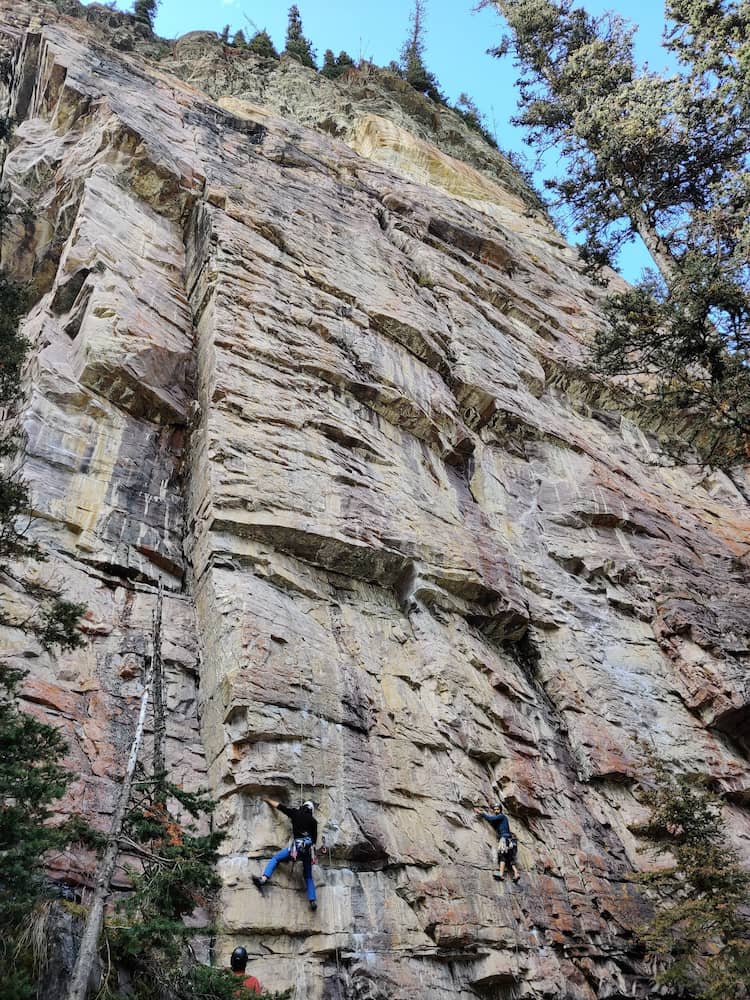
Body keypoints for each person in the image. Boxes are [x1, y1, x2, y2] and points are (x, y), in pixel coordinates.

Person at [252, 798, 319, 910]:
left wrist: (267, 799)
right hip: (306, 851)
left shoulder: (295, 813)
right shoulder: (314, 821)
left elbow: (279, 806)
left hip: (295, 849)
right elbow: (314, 841)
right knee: (308, 876)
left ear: (303, 807)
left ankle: (263, 879)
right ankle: (312, 900)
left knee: (276, 858)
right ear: (311, 810)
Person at [475, 803, 521, 882]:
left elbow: (491, 819)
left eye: (497, 809)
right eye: (495, 810)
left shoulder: (501, 816)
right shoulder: (500, 819)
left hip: (505, 838)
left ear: (500, 810)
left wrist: (481, 813)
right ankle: (516, 874)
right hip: (509, 840)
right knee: (509, 858)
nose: (496, 811)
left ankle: (501, 874)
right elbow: (492, 822)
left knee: (502, 855)